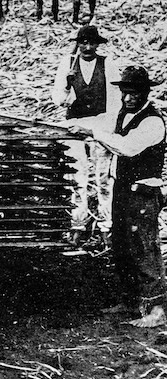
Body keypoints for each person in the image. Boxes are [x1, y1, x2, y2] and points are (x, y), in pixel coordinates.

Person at [69, 66, 167, 327]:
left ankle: (156, 309)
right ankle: (130, 301)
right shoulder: (124, 113)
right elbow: (104, 125)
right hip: (123, 190)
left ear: (145, 93)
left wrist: (92, 134)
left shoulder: (152, 121)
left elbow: (126, 147)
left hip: (143, 193)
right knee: (122, 246)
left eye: (133, 94)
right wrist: (80, 125)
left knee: (144, 247)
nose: (127, 99)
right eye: (124, 93)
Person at [52, 25, 121, 249]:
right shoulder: (68, 63)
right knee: (77, 177)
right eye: (84, 42)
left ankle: (105, 228)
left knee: (103, 179)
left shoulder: (107, 64)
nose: (88, 47)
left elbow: (115, 101)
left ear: (98, 45)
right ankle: (77, 226)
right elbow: (58, 97)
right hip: (75, 124)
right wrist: (67, 85)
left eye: (92, 43)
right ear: (78, 43)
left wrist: (106, 130)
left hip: (100, 124)